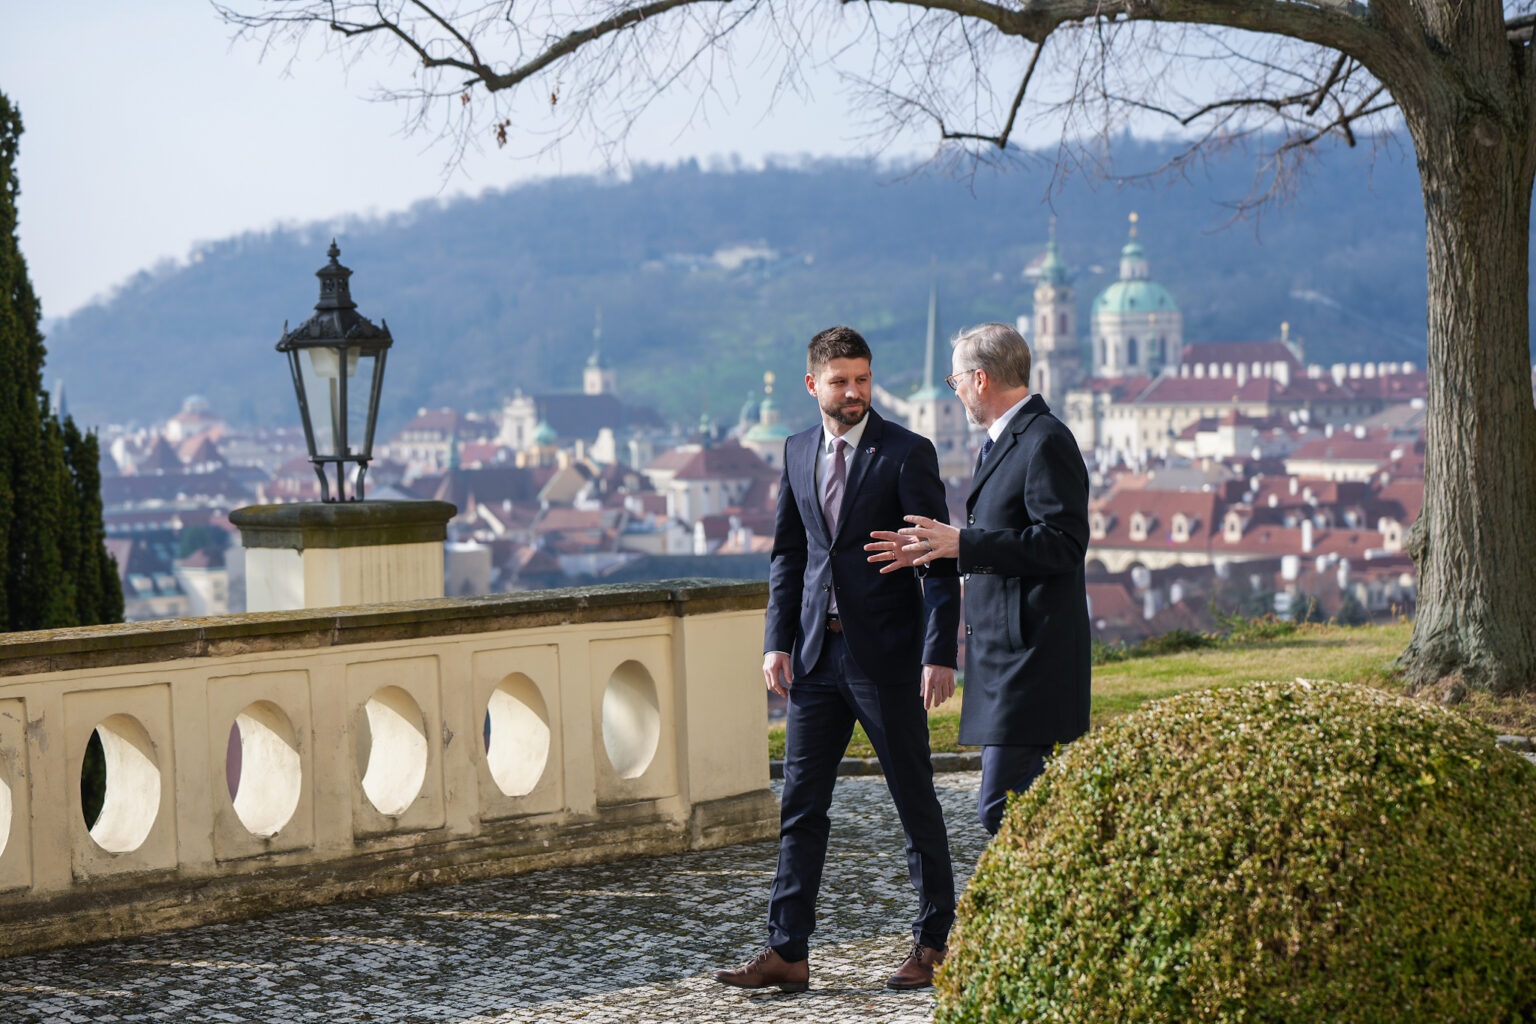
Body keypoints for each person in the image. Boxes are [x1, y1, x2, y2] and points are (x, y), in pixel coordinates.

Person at [713, 325, 961, 994]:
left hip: (887, 658)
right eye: (840, 381)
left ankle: (935, 942)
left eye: (863, 379)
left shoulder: (907, 453)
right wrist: (777, 640)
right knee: (801, 806)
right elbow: (790, 555)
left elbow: (936, 562)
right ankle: (787, 951)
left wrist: (938, 653)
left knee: (914, 799)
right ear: (811, 385)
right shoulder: (796, 452)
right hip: (816, 659)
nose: (854, 393)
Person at [867, 321, 1090, 836]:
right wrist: (933, 546)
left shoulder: (1044, 440)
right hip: (1007, 658)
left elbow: (1062, 543)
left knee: (1004, 809)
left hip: (1032, 662)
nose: (958, 392)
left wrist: (962, 544)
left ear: (981, 378)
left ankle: (1033, 911)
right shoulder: (1006, 441)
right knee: (1024, 808)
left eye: (956, 381)